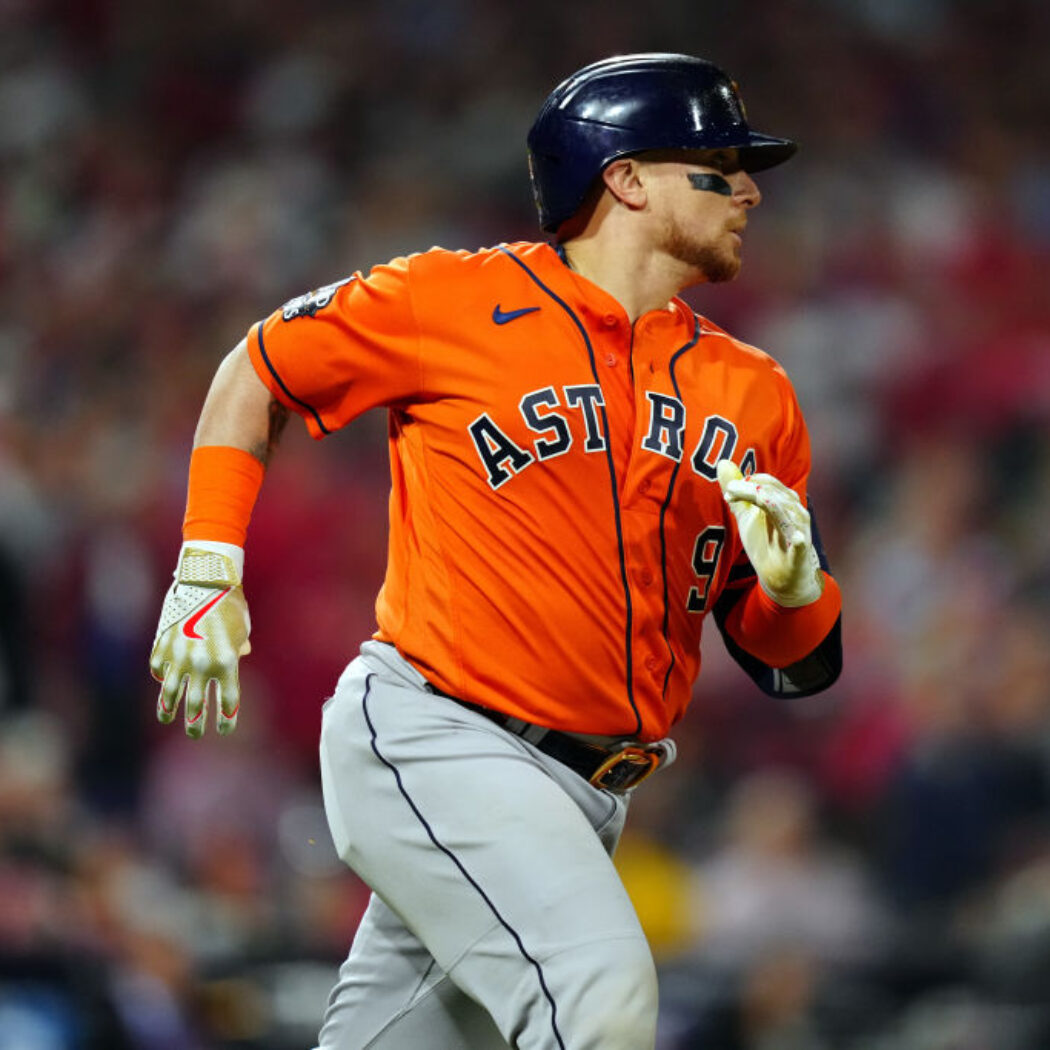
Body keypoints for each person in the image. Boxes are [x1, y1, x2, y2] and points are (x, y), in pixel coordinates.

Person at [148, 53, 842, 1050]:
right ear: (626, 178)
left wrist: (797, 587)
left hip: (590, 796)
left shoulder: (755, 392)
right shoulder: (451, 300)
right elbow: (253, 373)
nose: (747, 191)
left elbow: (792, 663)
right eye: (717, 167)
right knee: (600, 997)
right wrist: (207, 565)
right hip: (437, 737)